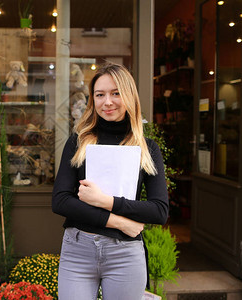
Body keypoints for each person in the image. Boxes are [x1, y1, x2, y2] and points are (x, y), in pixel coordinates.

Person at [52, 63, 169, 300]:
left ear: (129, 95)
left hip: (125, 254)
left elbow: (159, 211)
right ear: (92, 99)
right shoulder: (78, 142)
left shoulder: (147, 149)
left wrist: (106, 201)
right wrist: (119, 222)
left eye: (116, 93)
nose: (108, 102)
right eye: (100, 94)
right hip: (78, 251)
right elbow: (60, 201)